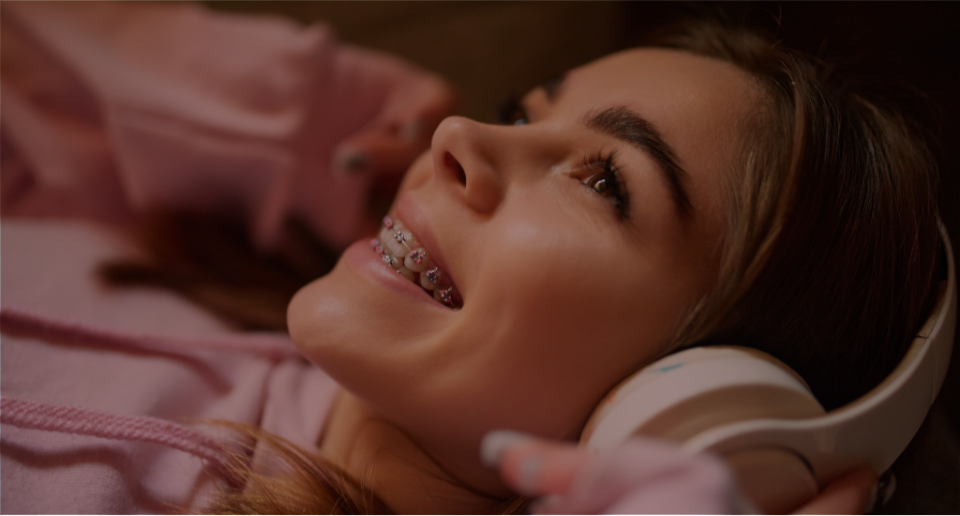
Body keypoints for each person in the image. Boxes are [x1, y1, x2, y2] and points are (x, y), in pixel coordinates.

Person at [0, 2, 940, 514]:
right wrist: (299, 117)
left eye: (603, 181)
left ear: (698, 405)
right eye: (520, 112)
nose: (456, 133)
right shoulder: (174, 243)